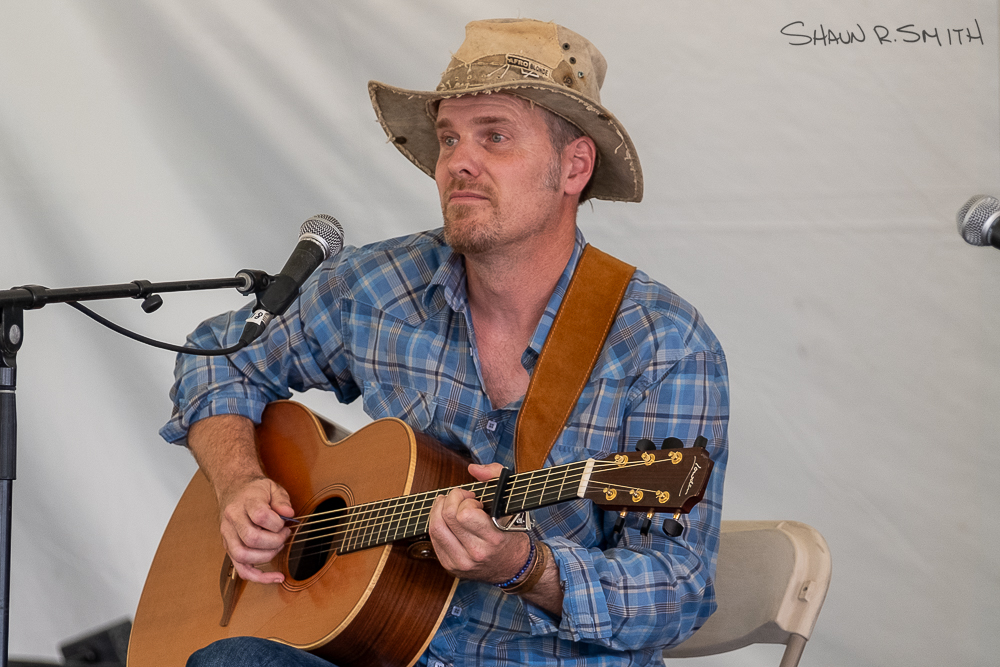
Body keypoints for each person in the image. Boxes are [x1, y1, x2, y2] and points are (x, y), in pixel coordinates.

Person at [161, 18, 729, 667]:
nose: (459, 159)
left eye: (494, 136)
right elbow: (217, 360)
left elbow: (679, 589)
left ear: (573, 166)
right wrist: (240, 482)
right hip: (379, 646)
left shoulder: (665, 344)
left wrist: (526, 565)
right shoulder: (375, 287)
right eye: (449, 137)